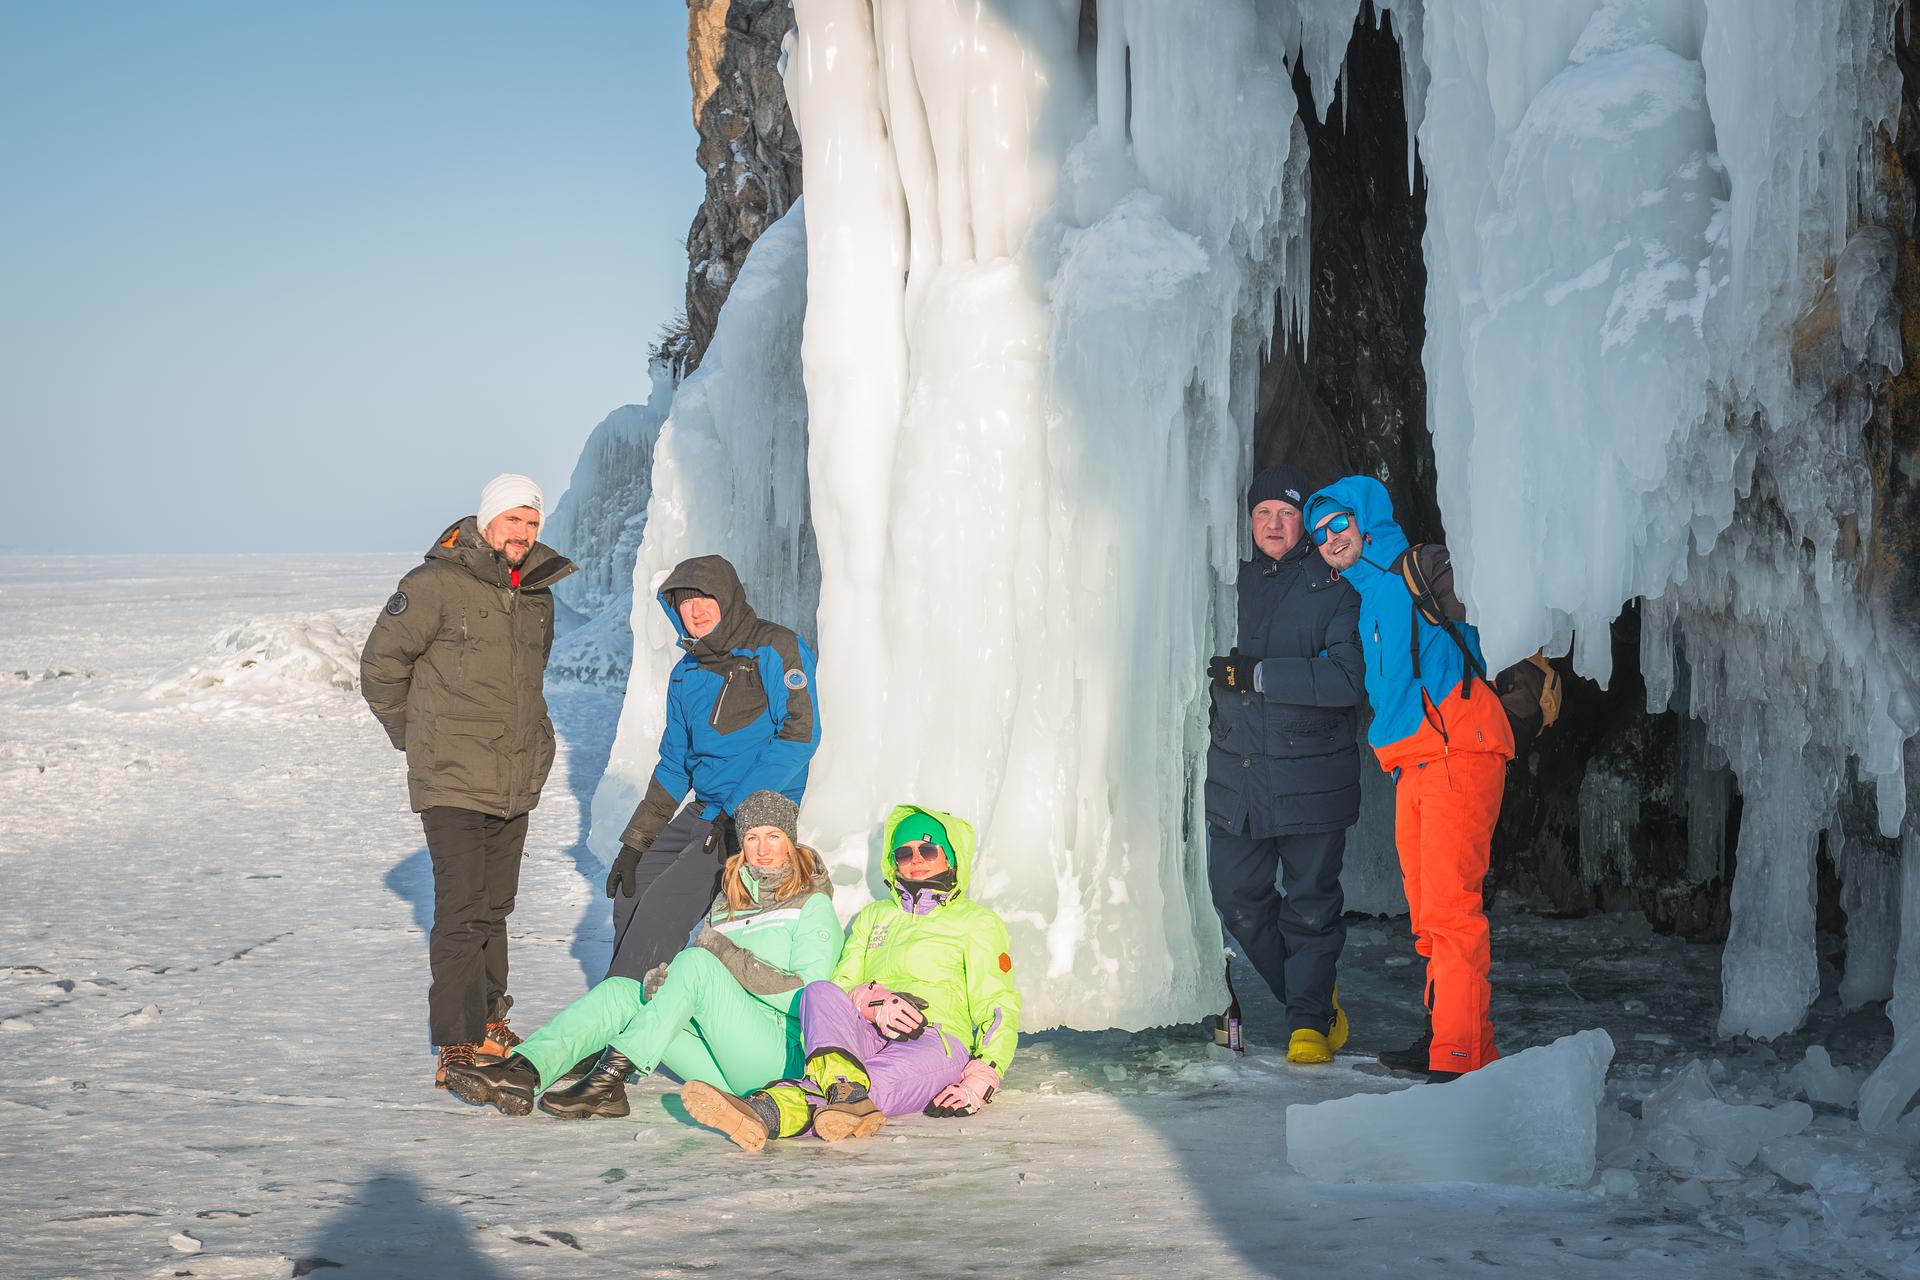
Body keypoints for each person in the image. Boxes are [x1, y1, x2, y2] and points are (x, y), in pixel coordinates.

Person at [361, 473, 576, 1087]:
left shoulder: (537, 593)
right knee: (461, 908)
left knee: (495, 906)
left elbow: (528, 678)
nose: (524, 534)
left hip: (514, 774)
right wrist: (418, 736)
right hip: (452, 776)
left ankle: (488, 1020)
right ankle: (456, 1041)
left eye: (533, 524)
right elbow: (380, 666)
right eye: (514, 521)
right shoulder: (432, 585)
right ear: (487, 521)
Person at [441, 790, 842, 1118]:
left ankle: (608, 1076)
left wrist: (724, 957)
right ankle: (525, 1070)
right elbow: (702, 983)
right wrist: (663, 988)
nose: (762, 849)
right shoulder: (729, 902)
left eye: (773, 837)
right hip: (719, 1063)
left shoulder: (811, 904)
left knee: (700, 961)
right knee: (623, 990)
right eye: (752, 838)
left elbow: (808, 997)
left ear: (791, 842)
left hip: (776, 1061)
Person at [1303, 476, 1514, 1082]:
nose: (1328, 539)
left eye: (1338, 524)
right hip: (1413, 764)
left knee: (1451, 912)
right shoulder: (1368, 597)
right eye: (1319, 534)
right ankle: (1448, 1036)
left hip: (1459, 751)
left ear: (1366, 520)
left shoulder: (1415, 573)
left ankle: (1460, 1054)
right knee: (1427, 916)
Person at [679, 804, 1020, 1151]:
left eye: (928, 850)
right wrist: (872, 1000)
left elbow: (997, 1004)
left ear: (950, 858)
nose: (916, 859)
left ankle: (767, 1110)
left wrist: (982, 1077)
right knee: (820, 992)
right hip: (869, 1031)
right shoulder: (875, 917)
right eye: (904, 852)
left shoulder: (977, 923)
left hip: (934, 1040)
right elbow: (840, 985)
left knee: (875, 1081)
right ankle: (842, 1095)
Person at [602, 555, 819, 996]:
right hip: (707, 808)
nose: (696, 610)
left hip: (759, 810)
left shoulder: (776, 648)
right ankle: (634, 1000)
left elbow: (799, 736)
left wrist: (737, 814)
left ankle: (615, 1023)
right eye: (685, 602)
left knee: (665, 905)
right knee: (634, 885)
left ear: (729, 599)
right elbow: (674, 763)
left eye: (706, 598)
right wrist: (634, 842)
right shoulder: (686, 673)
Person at [1204, 464, 1363, 1065]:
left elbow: (1350, 678)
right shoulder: (1229, 584)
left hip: (1312, 779)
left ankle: (1308, 1026)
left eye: (1287, 513)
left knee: (1311, 905)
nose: (1274, 524)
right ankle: (1315, 998)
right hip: (1238, 778)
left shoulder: (1335, 588)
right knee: (1236, 896)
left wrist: (1261, 674)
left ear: (1306, 520)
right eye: (1263, 513)